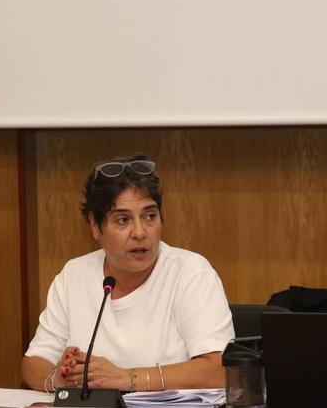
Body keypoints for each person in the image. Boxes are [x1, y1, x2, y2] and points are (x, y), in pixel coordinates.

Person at [22, 155, 234, 392]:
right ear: (95, 225)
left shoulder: (191, 274)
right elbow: (34, 363)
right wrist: (58, 379)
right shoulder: (74, 275)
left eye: (149, 216)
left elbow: (220, 369)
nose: (140, 232)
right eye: (123, 220)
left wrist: (125, 378)